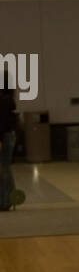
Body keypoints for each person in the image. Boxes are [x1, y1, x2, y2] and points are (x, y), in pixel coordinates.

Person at [0, 82, 24, 211]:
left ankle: (5, 201)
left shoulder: (4, 100)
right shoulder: (8, 99)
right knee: (5, 168)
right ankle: (10, 199)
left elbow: (2, 123)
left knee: (4, 169)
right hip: (7, 136)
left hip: (4, 137)